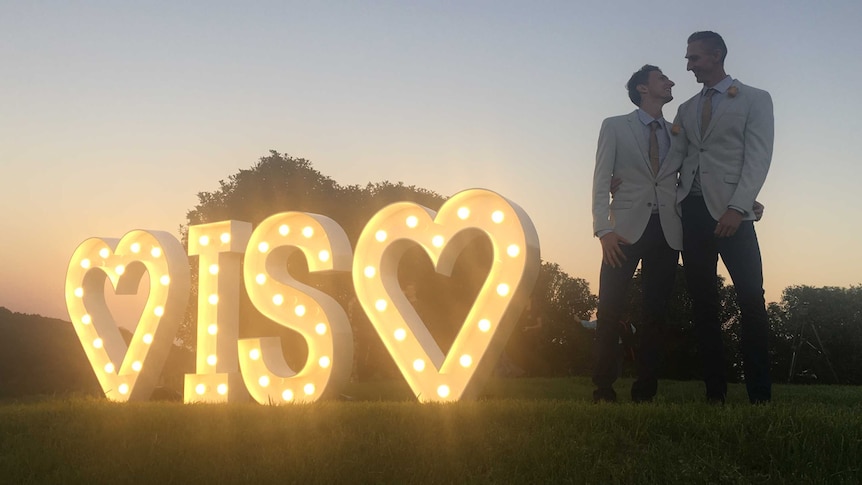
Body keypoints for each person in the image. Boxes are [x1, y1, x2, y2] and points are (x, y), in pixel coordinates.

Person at [670, 31, 774, 404]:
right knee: (703, 303)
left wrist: (739, 206)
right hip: (693, 213)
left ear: (716, 55)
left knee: (751, 300)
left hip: (734, 215)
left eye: (694, 58)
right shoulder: (685, 109)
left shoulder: (755, 99)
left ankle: (760, 394)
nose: (689, 66)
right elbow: (673, 159)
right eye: (688, 59)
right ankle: (715, 392)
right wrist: (630, 178)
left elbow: (758, 157)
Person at [590, 64, 682, 403]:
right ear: (643, 88)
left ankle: (645, 391)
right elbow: (601, 180)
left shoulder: (678, 132)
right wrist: (603, 230)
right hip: (623, 232)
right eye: (662, 78)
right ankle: (603, 388)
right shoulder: (614, 126)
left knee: (655, 314)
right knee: (610, 308)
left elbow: (690, 177)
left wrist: (743, 201)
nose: (671, 81)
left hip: (668, 230)